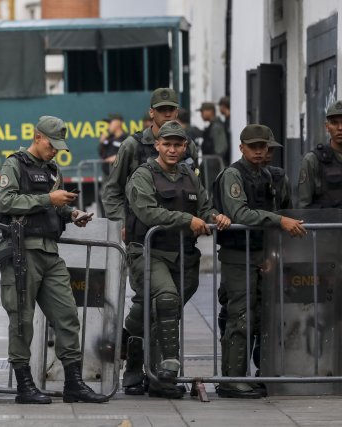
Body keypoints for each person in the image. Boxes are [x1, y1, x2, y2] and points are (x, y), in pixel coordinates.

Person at [0, 115, 107, 404]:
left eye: (59, 147)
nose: (55, 151)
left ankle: (74, 384)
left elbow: (57, 206)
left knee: (67, 317)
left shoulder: (53, 170)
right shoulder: (14, 164)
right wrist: (48, 201)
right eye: (52, 145)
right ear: (37, 136)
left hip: (50, 253)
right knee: (22, 320)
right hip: (22, 251)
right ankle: (24, 386)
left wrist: (72, 213)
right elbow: (5, 202)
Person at [122, 121, 231, 399]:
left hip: (183, 256)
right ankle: (165, 372)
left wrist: (215, 217)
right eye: (166, 144)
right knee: (167, 300)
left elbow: (204, 207)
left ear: (185, 147)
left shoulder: (190, 176)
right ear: (157, 144)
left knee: (154, 313)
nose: (172, 149)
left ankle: (135, 371)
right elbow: (148, 213)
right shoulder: (143, 175)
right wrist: (188, 220)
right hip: (149, 252)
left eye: (177, 144)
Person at [213, 124, 306, 399]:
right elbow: (240, 213)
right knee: (240, 317)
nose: (258, 151)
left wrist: (273, 253)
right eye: (253, 146)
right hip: (237, 256)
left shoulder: (267, 175)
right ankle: (232, 380)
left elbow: (278, 208)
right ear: (241, 147)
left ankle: (252, 375)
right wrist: (280, 221)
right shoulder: (233, 174)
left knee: (260, 318)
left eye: (262, 147)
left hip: (261, 255)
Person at [102, 88, 199, 229]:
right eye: (161, 109)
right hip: (143, 232)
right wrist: (124, 223)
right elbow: (112, 191)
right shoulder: (133, 145)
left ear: (177, 112)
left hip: (180, 233)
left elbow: (196, 186)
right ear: (151, 112)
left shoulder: (187, 145)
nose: (167, 114)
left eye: (171, 109)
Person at [297, 100, 342, 208]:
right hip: (326, 223)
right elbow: (304, 206)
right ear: (327, 127)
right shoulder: (313, 160)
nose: (340, 128)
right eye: (334, 123)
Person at [199, 101, 230, 165]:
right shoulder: (212, 126)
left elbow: (220, 150)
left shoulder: (217, 127)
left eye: (202, 111)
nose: (201, 114)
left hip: (215, 168)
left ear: (210, 111)